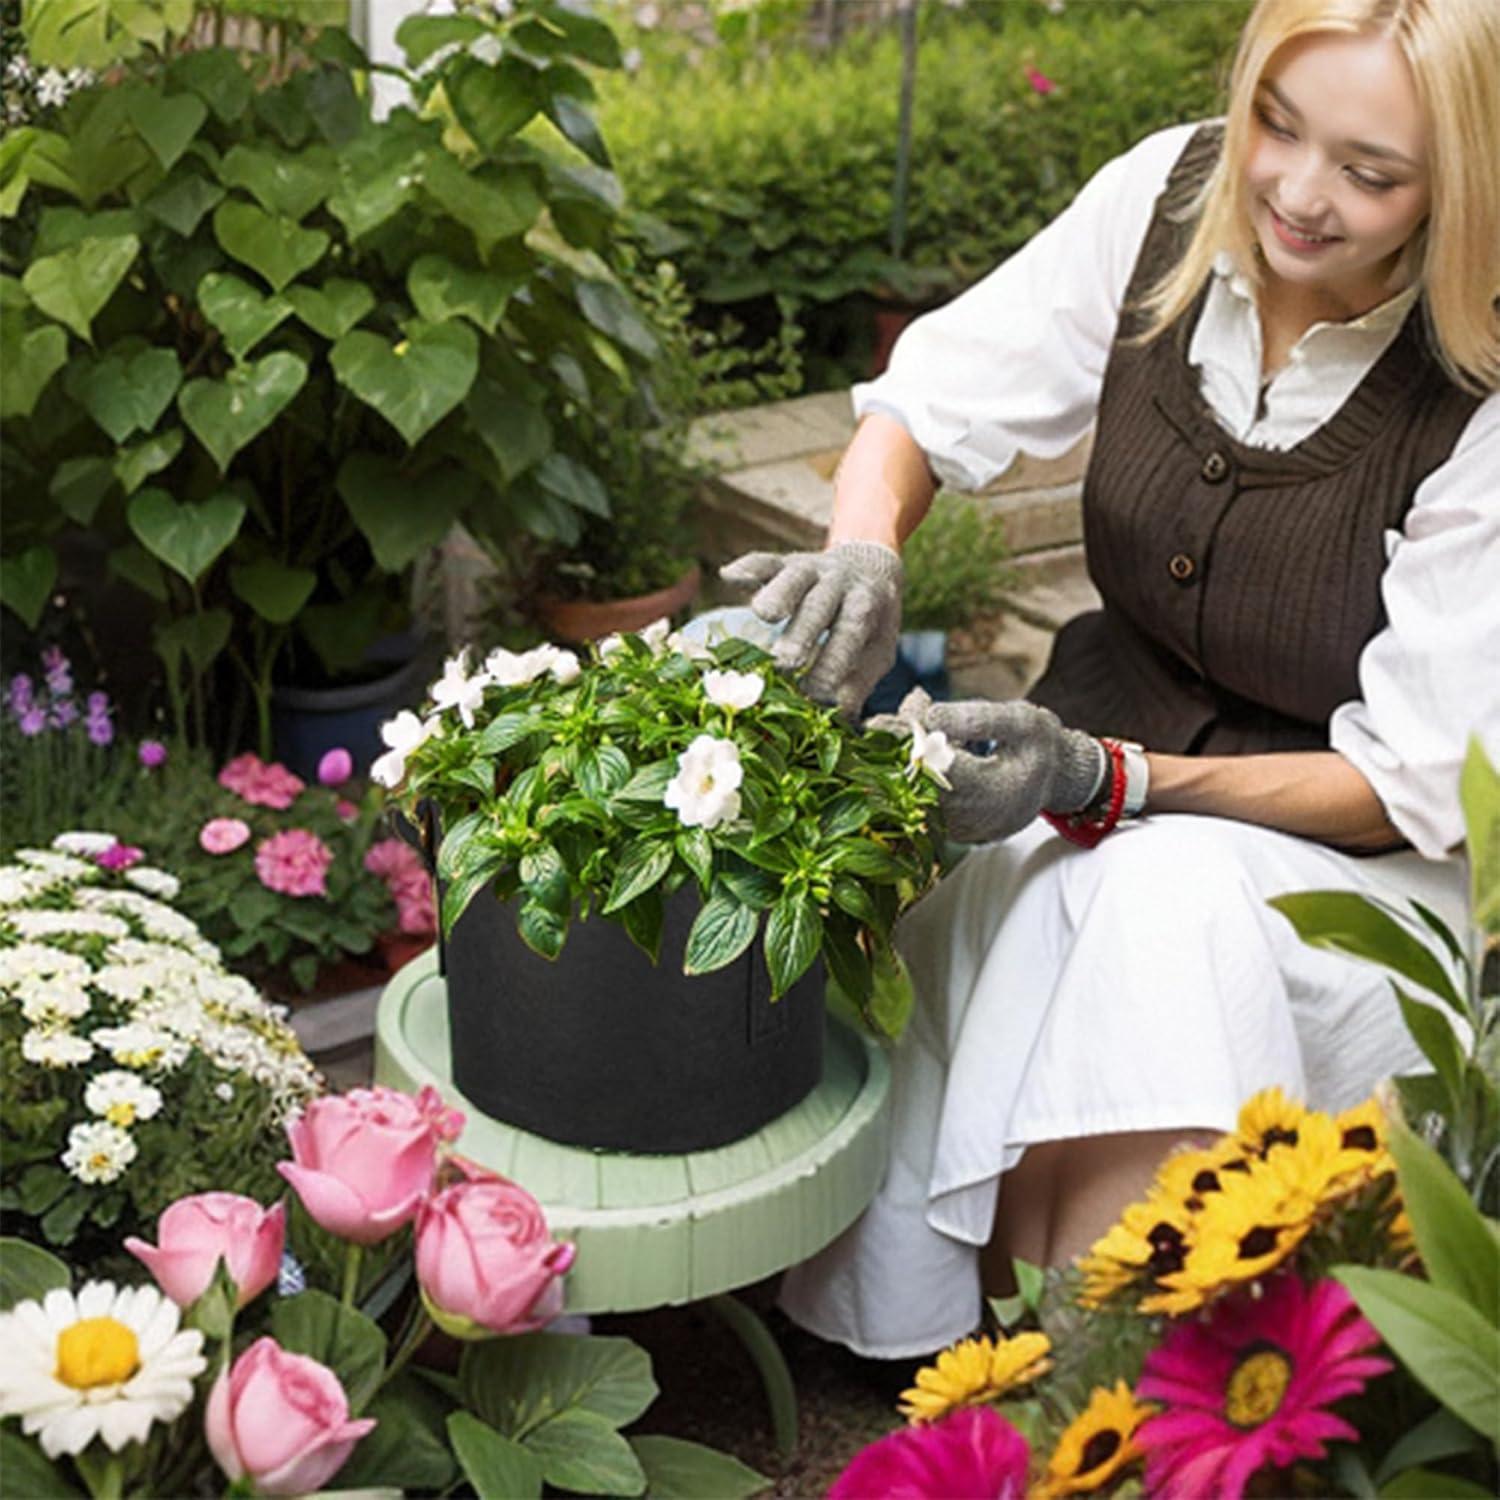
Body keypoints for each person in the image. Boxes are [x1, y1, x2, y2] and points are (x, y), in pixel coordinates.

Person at [720, 0, 1500, 1359]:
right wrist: (863, 550)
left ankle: (1119, 1377)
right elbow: (928, 398)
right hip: (1117, 776)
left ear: (1467, 183)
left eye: (1372, 174)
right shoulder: (1169, 198)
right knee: (1022, 879)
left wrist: (1106, 780)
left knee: (1155, 899)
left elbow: (1402, 784)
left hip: (1366, 881)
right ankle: (1034, 1356)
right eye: (1278, 124)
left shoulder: (1479, 387)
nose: (1300, 195)